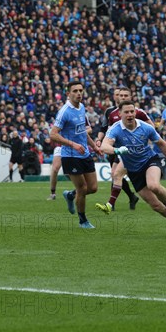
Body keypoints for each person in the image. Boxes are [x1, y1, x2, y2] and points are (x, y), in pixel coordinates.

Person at [101, 100, 166, 236]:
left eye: (132, 111)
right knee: (156, 206)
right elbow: (104, 146)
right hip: (133, 170)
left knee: (153, 185)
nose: (130, 114)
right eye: (126, 112)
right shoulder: (115, 129)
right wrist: (117, 150)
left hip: (150, 161)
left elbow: (162, 144)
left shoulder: (145, 127)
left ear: (135, 112)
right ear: (119, 113)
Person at [50, 80, 103, 229]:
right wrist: (72, 144)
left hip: (85, 153)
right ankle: (83, 220)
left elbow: (82, 133)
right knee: (82, 188)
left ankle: (70, 195)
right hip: (71, 155)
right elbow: (53, 134)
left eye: (80, 90)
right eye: (75, 91)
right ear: (68, 93)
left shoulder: (81, 108)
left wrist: (94, 147)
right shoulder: (64, 112)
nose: (79, 93)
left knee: (92, 188)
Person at [94, 86, 141, 214]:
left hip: (125, 147)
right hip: (112, 146)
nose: (121, 97)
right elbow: (103, 128)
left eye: (124, 95)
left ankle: (112, 203)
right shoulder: (109, 112)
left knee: (115, 173)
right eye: (118, 95)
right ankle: (131, 196)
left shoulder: (134, 112)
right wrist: (99, 140)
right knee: (116, 174)